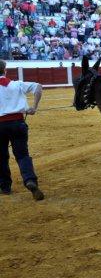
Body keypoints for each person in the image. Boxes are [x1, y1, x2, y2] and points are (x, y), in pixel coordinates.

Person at [0, 60, 45, 200]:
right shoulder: (16, 84)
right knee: (22, 155)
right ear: (5, 70)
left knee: (1, 156)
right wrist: (34, 107)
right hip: (18, 123)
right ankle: (29, 180)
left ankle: (5, 186)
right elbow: (38, 87)